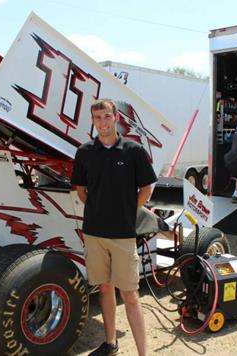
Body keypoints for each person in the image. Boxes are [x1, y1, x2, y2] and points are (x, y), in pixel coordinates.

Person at [71, 99, 156, 356]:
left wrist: (127, 212)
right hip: (95, 234)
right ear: (93, 121)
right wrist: (100, 211)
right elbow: (81, 191)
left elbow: (146, 189)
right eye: (98, 118)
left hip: (123, 236)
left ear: (116, 117)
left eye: (107, 116)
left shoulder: (133, 150)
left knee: (129, 295)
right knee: (105, 288)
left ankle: (143, 353)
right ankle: (110, 343)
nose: (103, 123)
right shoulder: (85, 152)